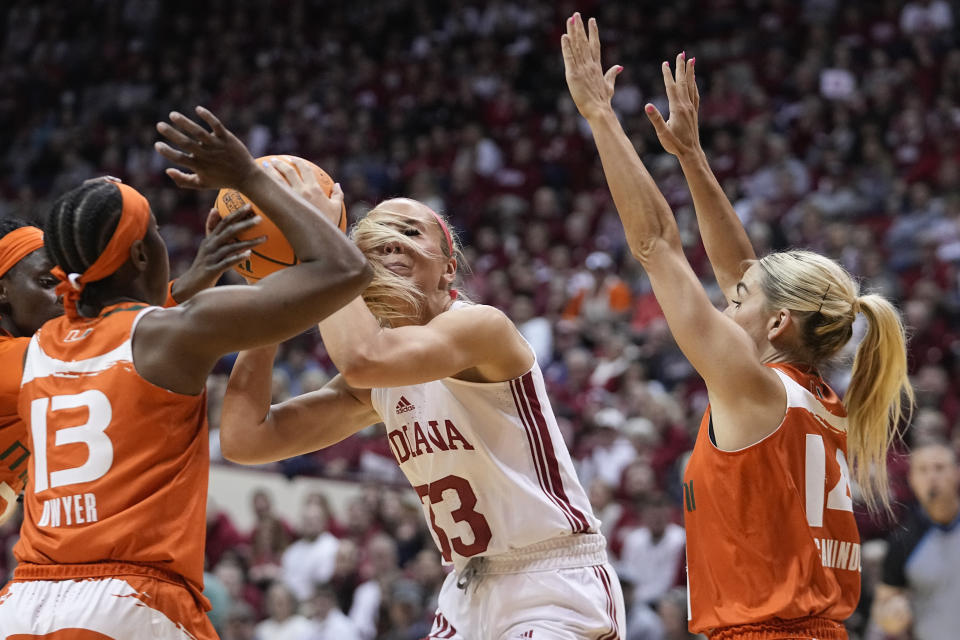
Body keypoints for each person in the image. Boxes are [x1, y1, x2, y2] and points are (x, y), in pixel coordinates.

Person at [562, 13, 912, 640]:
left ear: (778, 322)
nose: (728, 300)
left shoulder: (756, 391)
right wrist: (691, 157)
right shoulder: (817, 398)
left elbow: (656, 246)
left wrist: (599, 117)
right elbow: (743, 270)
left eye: (739, 300)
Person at [0, 106, 371, 638]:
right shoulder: (173, 335)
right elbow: (346, 270)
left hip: (26, 599)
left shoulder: (36, 349)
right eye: (154, 235)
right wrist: (248, 175)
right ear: (143, 256)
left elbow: (118, 328)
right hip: (131, 601)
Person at [219, 199, 625, 635]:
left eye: (410, 234)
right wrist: (269, 302)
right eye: (375, 244)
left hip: (551, 582)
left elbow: (362, 357)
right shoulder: (380, 378)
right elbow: (247, 440)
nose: (392, 245)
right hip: (465, 591)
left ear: (449, 268)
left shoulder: (483, 329)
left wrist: (319, 240)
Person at [0, 203, 269, 527]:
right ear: (3, 290)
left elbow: (112, 330)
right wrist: (196, 279)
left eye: (68, 282)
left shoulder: (49, 349)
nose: (63, 295)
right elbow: (112, 337)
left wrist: (202, 276)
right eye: (46, 282)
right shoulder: (23, 358)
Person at [872, 440, 960, 640]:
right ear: (912, 479)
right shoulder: (902, 541)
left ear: (956, 473)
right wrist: (890, 618)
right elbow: (883, 608)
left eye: (939, 468)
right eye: (923, 470)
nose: (932, 477)